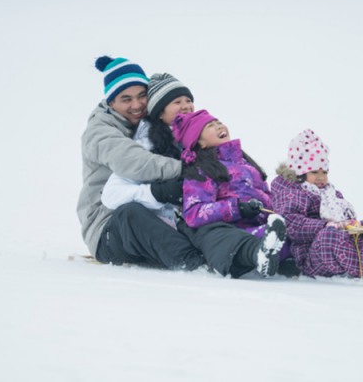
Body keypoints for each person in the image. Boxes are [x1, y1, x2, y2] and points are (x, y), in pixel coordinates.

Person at [99, 71, 289, 278]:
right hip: (149, 231)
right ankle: (194, 262)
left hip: (187, 228)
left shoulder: (201, 143)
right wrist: (159, 192)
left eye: (188, 100)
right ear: (159, 113)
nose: (186, 106)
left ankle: (268, 253)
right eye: (176, 102)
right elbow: (110, 194)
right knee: (132, 213)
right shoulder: (146, 149)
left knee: (204, 225)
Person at [77, 56, 205, 271]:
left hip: (158, 218)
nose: (136, 105)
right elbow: (134, 163)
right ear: (111, 103)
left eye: (142, 96)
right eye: (126, 99)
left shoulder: (155, 125)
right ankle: (194, 261)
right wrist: (189, 170)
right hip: (109, 227)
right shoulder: (99, 132)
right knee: (131, 213)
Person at [270, 129, 363, 278]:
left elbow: (344, 219)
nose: (321, 177)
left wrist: (362, 227)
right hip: (311, 255)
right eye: (315, 172)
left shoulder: (329, 193)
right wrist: (324, 226)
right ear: (299, 173)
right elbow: (290, 223)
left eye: (324, 172)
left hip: (338, 241)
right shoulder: (292, 192)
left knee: (360, 233)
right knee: (330, 236)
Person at [171, 109, 288, 277]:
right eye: (210, 126)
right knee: (265, 238)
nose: (219, 126)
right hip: (235, 232)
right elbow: (193, 213)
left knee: (293, 231)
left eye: (219, 122)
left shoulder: (247, 165)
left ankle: (285, 258)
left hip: (262, 225)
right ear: (200, 142)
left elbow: (266, 195)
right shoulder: (201, 170)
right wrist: (237, 208)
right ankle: (260, 253)